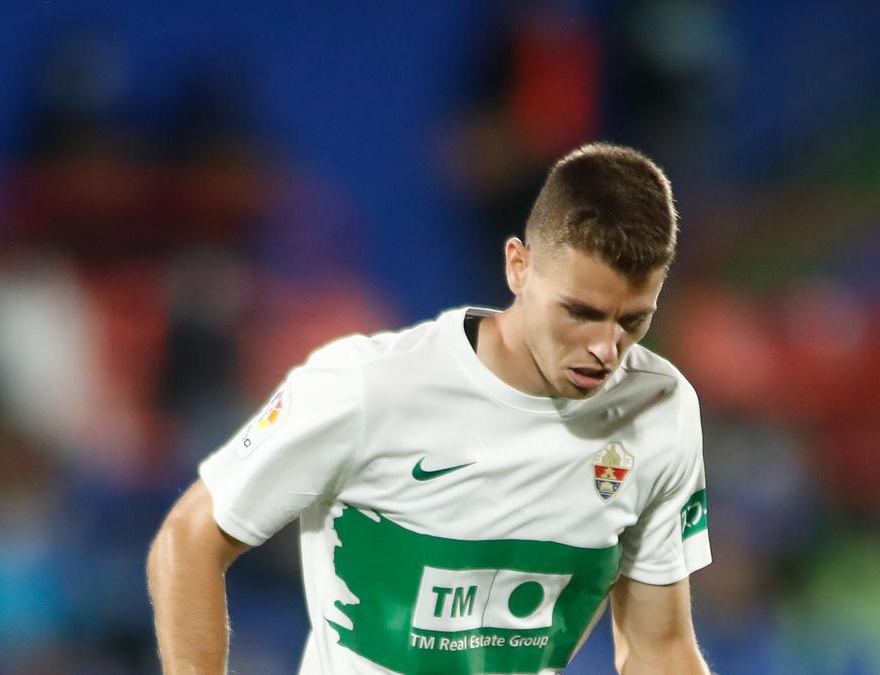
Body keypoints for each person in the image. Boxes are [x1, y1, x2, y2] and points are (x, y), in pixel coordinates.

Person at [147, 142, 712, 674]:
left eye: (633, 320)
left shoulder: (660, 410)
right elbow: (191, 539)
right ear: (518, 265)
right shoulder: (368, 387)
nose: (606, 348)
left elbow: (658, 647)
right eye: (581, 312)